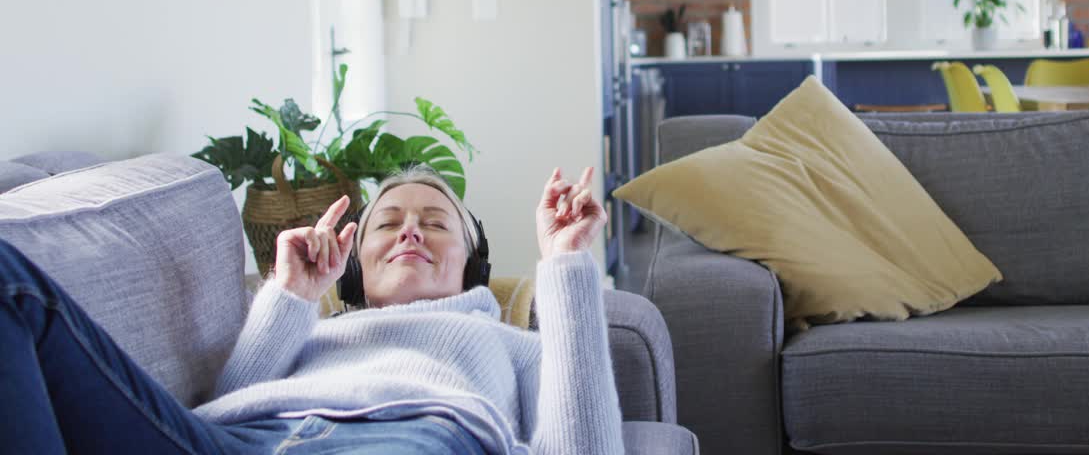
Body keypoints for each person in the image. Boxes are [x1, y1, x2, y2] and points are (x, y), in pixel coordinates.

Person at [0, 165, 623, 454]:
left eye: (435, 222)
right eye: (388, 223)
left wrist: (565, 262)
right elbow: (232, 399)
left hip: (410, 439)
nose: (410, 232)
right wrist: (290, 294)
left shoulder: (514, 347)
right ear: (357, 262)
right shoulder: (316, 330)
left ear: (472, 262)